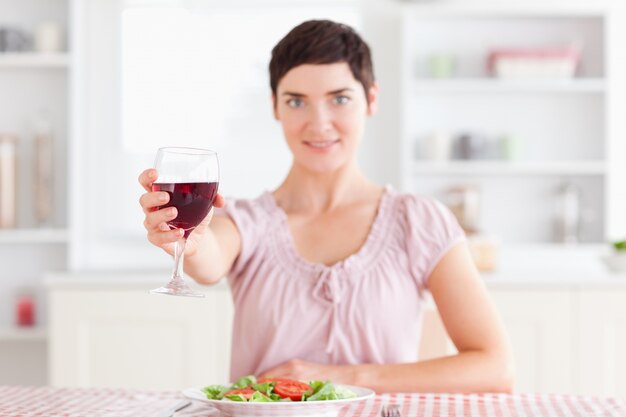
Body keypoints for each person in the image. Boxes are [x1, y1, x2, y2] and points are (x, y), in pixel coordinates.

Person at [138, 19, 514, 393]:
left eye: (340, 99)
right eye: (296, 101)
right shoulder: (246, 221)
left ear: (371, 99)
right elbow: (209, 256)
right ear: (275, 107)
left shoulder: (419, 221)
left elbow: (494, 368)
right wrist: (186, 242)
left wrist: (346, 378)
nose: (318, 124)